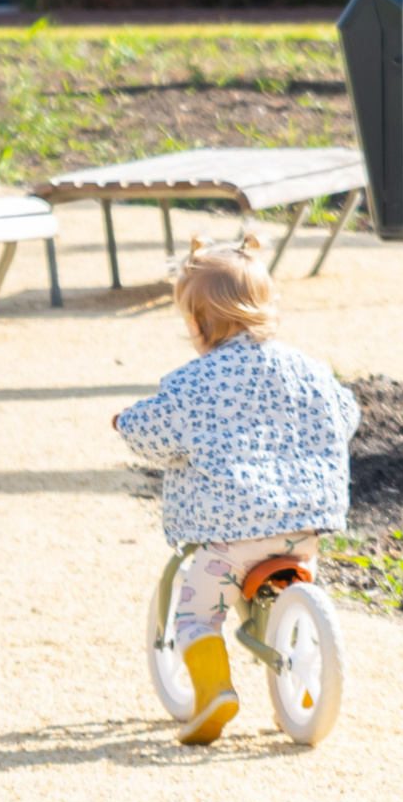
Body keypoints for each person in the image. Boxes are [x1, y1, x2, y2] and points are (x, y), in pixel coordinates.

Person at [114, 234, 361, 743]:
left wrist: (125, 422)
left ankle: (213, 694)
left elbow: (156, 432)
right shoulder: (309, 371)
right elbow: (347, 415)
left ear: (197, 324)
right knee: (292, 594)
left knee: (196, 613)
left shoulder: (194, 383)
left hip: (232, 536)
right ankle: (299, 694)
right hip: (304, 527)